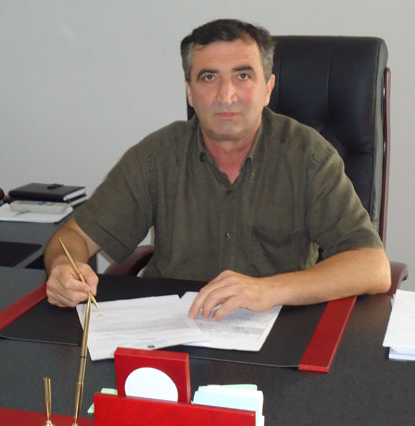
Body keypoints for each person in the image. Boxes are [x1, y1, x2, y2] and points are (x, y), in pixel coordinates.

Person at [44, 19, 391, 321]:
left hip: (278, 329)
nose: (226, 95)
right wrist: (62, 267)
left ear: (267, 89)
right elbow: (72, 238)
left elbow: (372, 266)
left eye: (243, 76)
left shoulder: (308, 156)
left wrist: (268, 290)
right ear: (190, 92)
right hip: (175, 330)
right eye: (209, 77)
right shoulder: (156, 156)